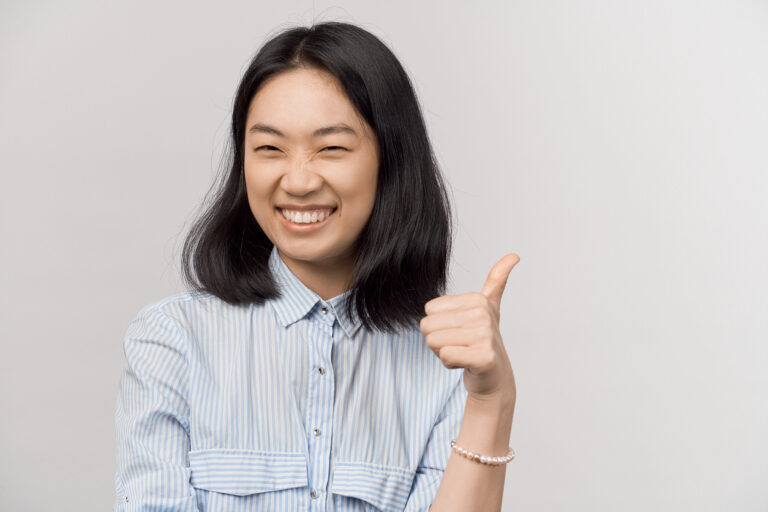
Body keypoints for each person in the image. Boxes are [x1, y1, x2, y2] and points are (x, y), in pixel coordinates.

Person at [114, 20, 519, 511]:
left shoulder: (447, 361)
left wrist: (489, 398)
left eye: (331, 148)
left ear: (389, 161)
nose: (298, 180)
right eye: (269, 148)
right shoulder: (171, 340)